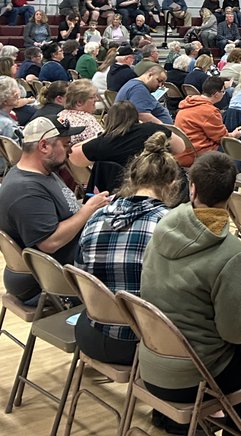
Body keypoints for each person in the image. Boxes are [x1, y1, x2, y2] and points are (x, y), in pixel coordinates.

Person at [140, 152, 241, 436]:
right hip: (191, 378)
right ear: (231, 193)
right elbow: (236, 332)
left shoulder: (162, 227)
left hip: (149, 366)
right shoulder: (231, 253)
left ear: (192, 187)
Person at [74, 132, 182, 365]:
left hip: (90, 332)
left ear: (131, 179)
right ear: (173, 184)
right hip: (141, 342)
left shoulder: (96, 215)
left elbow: (81, 274)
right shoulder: (171, 226)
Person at [0, 117, 110, 302]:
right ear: (44, 146)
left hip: (62, 269)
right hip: (48, 283)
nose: (70, 149)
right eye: (65, 144)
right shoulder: (26, 190)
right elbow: (50, 242)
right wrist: (88, 209)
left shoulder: (43, 173)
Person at [174, 76, 241, 165]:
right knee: (237, 151)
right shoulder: (210, 111)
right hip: (197, 154)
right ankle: (230, 178)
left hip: (181, 152)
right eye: (223, 91)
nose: (223, 94)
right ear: (216, 94)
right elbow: (221, 138)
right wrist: (234, 135)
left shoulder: (186, 105)